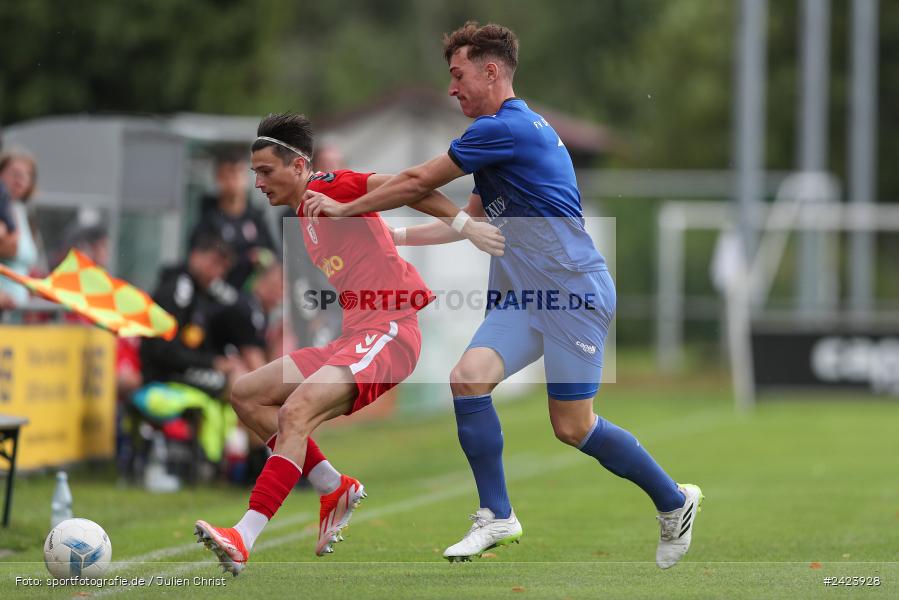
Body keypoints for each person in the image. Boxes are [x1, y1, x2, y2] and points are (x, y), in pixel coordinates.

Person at [302, 21, 703, 569]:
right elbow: (460, 221)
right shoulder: (498, 138)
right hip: (525, 298)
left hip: (573, 295)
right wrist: (389, 233)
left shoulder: (505, 129)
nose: (452, 87)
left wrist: (349, 209)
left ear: (491, 71)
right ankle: (496, 515)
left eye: (458, 74)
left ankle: (675, 501)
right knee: (467, 378)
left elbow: (420, 180)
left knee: (572, 426)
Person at [194, 113, 503, 575]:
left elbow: (410, 185)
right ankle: (333, 487)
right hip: (353, 338)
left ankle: (243, 537)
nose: (257, 182)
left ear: (298, 166)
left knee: (295, 412)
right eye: (254, 172)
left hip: (391, 333)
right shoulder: (302, 213)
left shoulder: (332, 186)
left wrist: (464, 225)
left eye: (264, 171)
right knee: (246, 393)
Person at [190, 150, 277, 291]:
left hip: (252, 297)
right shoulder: (208, 220)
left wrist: (262, 258)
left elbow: (274, 256)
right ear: (218, 178)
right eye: (228, 174)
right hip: (217, 296)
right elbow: (196, 260)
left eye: (238, 173)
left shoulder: (256, 218)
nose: (234, 180)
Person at [0, 150, 41, 309]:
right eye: (15, 174)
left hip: (16, 312)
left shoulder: (20, 210)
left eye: (27, 175)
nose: (20, 180)